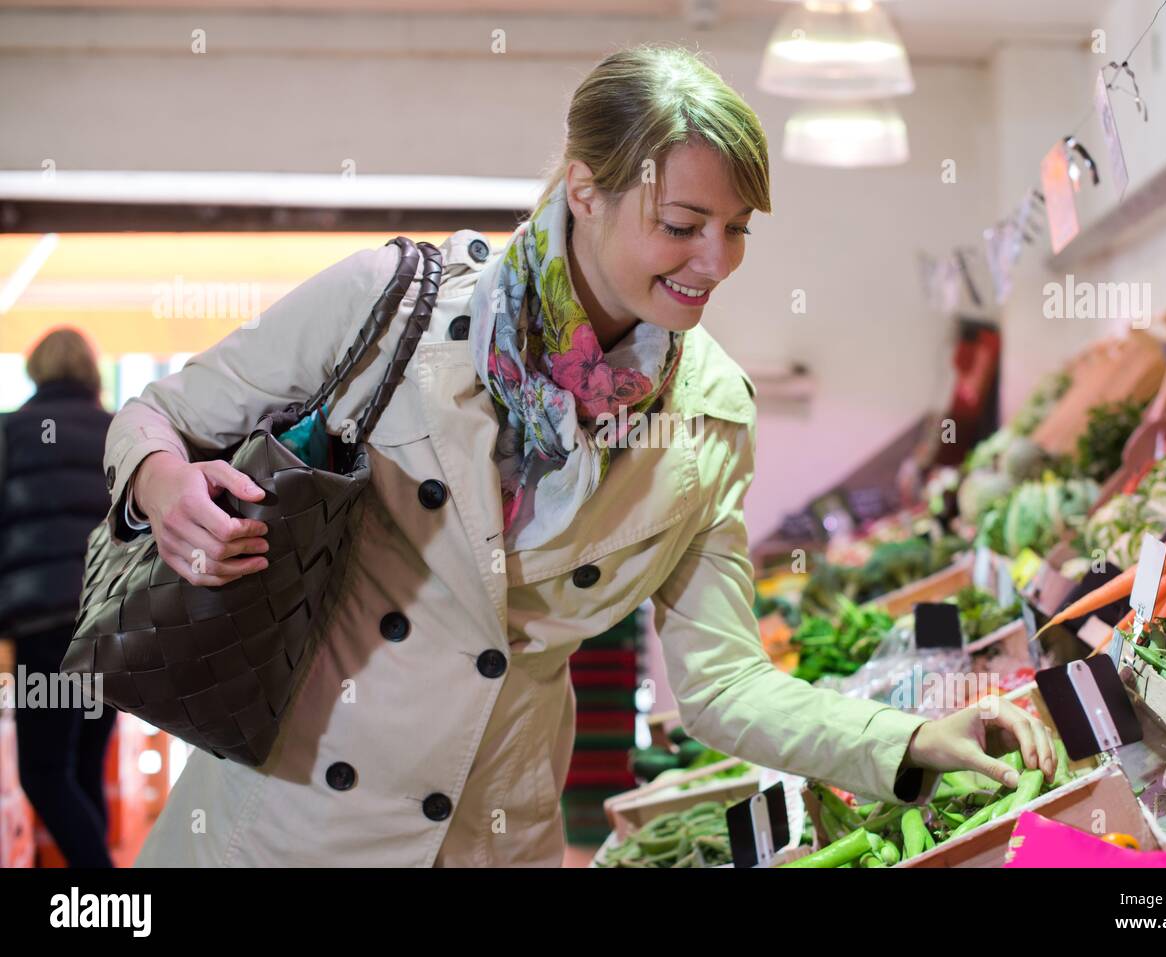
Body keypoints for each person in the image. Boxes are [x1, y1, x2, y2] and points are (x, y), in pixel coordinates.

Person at [105, 44, 1055, 867]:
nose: (715, 262)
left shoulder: (711, 414)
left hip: (497, 826)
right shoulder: (391, 303)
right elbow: (155, 415)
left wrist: (911, 736)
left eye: (737, 230)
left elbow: (723, 683)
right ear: (584, 190)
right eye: (682, 225)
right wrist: (164, 481)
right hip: (295, 816)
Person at [0, 327, 117, 868]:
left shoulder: (11, 433)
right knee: (86, 767)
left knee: (45, 772)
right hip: (110, 624)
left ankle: (107, 893)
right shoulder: (119, 432)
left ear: (36, 368)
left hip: (45, 624)